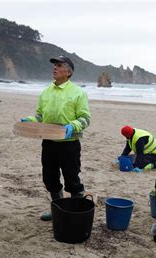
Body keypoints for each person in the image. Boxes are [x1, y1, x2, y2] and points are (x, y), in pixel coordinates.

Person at [20, 55, 91, 221]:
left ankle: (76, 212)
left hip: (69, 144)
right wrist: (29, 121)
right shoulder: (46, 92)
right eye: (54, 66)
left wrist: (72, 126)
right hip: (48, 142)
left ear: (69, 71)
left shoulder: (78, 93)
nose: (55, 68)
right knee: (49, 178)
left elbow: (85, 118)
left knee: (72, 179)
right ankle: (58, 209)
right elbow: (39, 116)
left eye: (59, 65)